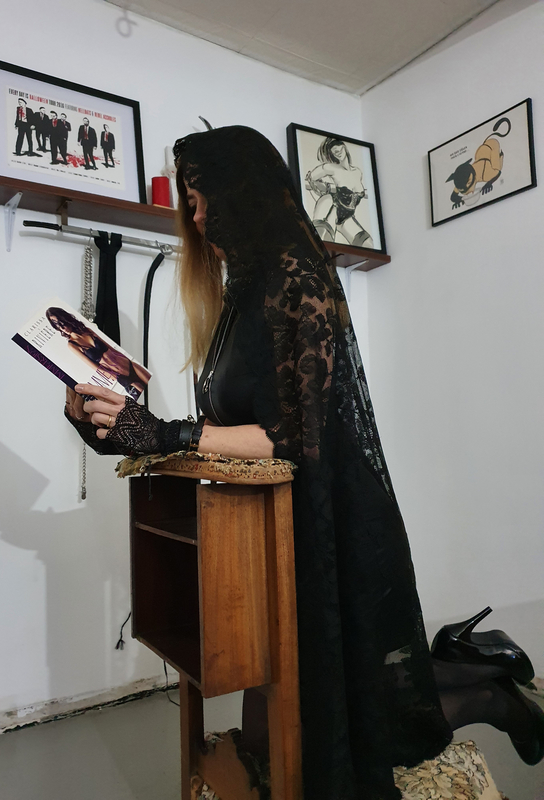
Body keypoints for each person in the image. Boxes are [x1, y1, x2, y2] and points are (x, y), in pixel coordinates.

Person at [64, 126, 544, 799]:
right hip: (277, 528)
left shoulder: (298, 277)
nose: (195, 220)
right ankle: (484, 672)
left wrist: (165, 430)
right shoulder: (242, 294)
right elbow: (227, 429)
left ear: (240, 191)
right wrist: (116, 426)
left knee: (363, 714)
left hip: (340, 522)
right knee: (330, 709)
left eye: (199, 201)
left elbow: (288, 437)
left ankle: (496, 696)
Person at [46, 307, 148, 399]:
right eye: (56, 324)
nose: (62, 327)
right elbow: (95, 368)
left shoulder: (87, 330)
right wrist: (120, 379)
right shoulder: (72, 345)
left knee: (153, 386)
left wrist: (130, 358)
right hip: (121, 376)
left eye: (61, 322)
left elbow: (112, 349)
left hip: (128, 364)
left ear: (66, 319)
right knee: (145, 398)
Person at [306, 137, 373, 247]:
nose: (338, 153)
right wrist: (325, 188)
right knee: (322, 241)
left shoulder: (357, 172)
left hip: (347, 216)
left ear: (344, 147)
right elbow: (311, 177)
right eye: (334, 152)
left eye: (339, 149)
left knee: (368, 244)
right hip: (332, 206)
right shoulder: (331, 168)